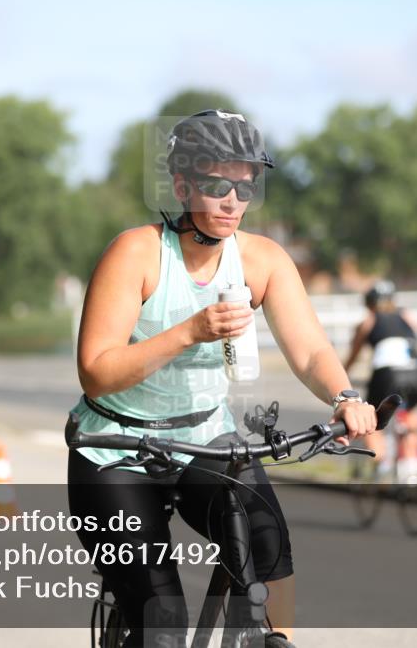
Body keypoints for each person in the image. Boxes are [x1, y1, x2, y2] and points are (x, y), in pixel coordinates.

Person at [66, 109, 377, 647]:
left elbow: (310, 350)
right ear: (183, 184)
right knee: (161, 619)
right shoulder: (137, 253)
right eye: (216, 185)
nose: (233, 200)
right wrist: (190, 332)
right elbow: (96, 373)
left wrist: (344, 395)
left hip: (206, 439)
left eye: (245, 186)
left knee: (267, 546)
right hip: (113, 449)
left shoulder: (262, 260)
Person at [344, 280, 417, 484]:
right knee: (408, 413)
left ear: (369, 304)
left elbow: (353, 356)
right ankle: (412, 467)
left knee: (372, 419)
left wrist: (343, 376)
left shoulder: (368, 322)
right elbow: (416, 333)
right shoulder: (405, 315)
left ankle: (382, 465)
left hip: (388, 375)